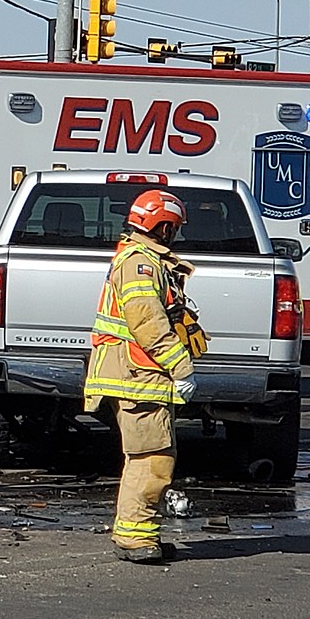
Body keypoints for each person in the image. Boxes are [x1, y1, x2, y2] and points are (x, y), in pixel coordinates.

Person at [85, 187, 204, 564]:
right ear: (164, 226)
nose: (177, 234)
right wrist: (180, 366)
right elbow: (147, 322)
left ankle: (137, 533)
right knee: (151, 459)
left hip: (137, 373)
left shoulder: (143, 259)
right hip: (138, 373)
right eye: (175, 227)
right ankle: (135, 537)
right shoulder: (140, 263)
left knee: (147, 456)